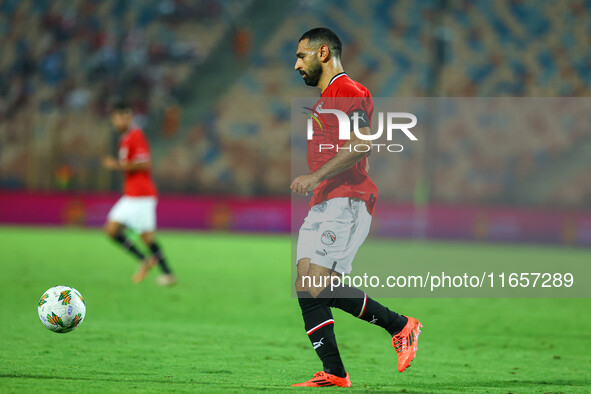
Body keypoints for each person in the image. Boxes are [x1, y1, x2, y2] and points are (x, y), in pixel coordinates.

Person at [291, 28, 422, 388]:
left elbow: (363, 143)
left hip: (347, 199)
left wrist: (315, 176)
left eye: (301, 56)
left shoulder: (348, 91)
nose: (296, 65)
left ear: (322, 54)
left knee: (317, 284)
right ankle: (334, 372)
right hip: (324, 202)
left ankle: (401, 326)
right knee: (308, 287)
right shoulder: (322, 102)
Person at [102, 101, 177, 286]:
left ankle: (168, 274)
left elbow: (144, 163)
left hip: (141, 195)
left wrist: (116, 165)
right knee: (112, 230)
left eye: (124, 117)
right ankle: (146, 261)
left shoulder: (136, 135)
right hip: (131, 195)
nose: (120, 121)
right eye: (117, 118)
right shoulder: (125, 138)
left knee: (147, 237)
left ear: (129, 118)